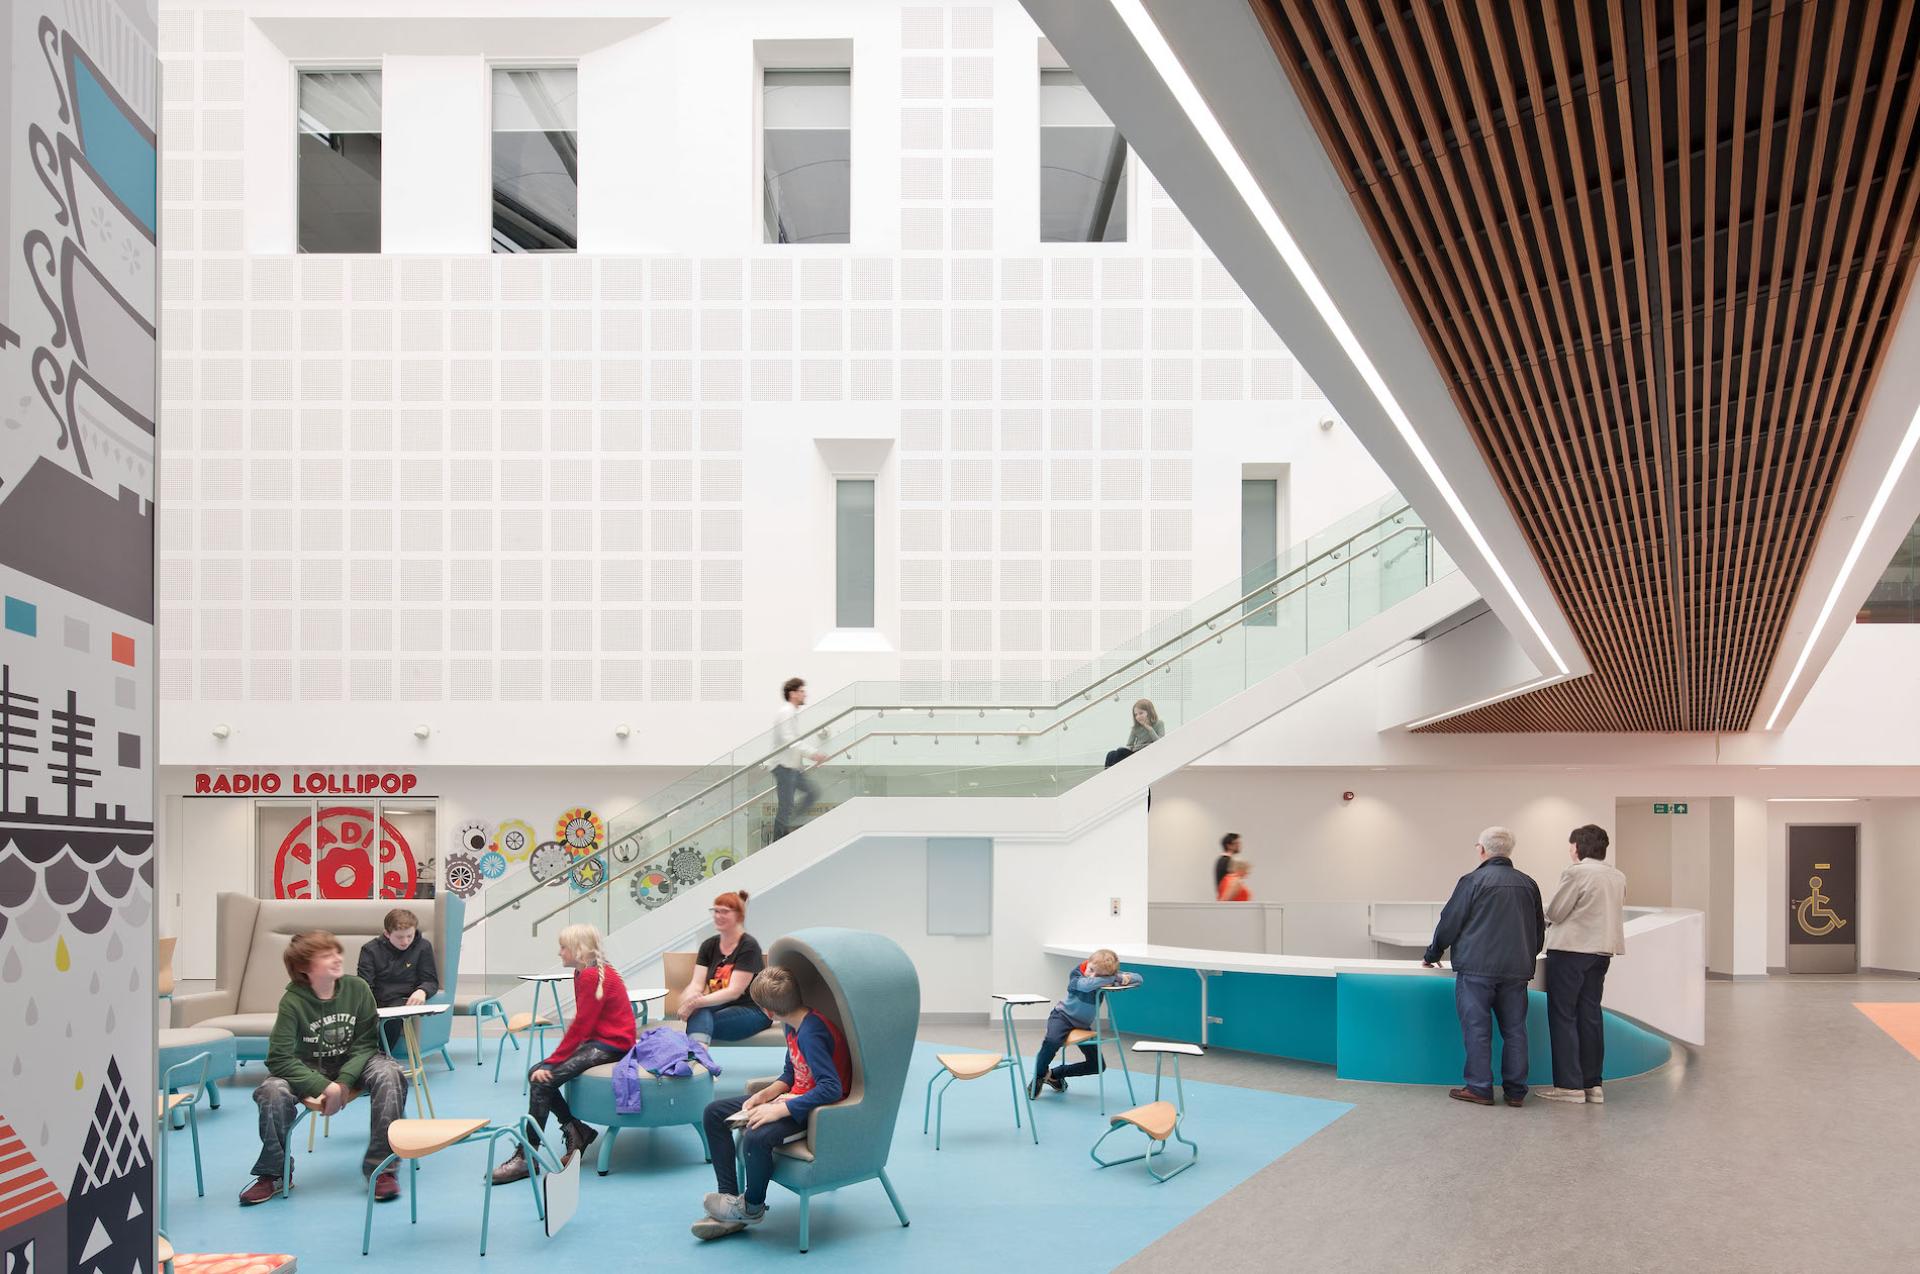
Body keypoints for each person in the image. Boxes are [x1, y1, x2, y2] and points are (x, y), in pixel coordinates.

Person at [239, 930, 408, 1206]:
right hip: (307, 1069)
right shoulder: (292, 1002)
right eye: (325, 956)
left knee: (391, 1074)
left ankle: (382, 1168)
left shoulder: (358, 989)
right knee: (271, 1091)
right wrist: (323, 1086)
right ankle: (274, 1173)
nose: (336, 959)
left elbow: (366, 1043)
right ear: (305, 968)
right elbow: (279, 1058)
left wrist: (342, 1083)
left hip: (355, 1062)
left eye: (336, 952)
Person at [692, 966, 850, 1240]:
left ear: (768, 1013)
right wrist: (765, 1095)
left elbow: (831, 1088)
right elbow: (792, 1073)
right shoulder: (793, 1023)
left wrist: (780, 1109)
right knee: (714, 1113)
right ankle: (731, 1199)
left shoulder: (811, 1033)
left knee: (755, 1136)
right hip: (794, 1096)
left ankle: (752, 1208)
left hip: (814, 1110)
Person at [491, 924, 636, 1184]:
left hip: (612, 1044)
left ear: (578, 951)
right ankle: (575, 1129)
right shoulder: (584, 972)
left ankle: (527, 1157)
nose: (559, 953)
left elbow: (581, 1026)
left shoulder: (592, 975)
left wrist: (555, 1061)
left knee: (541, 1078)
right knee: (535, 1072)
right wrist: (555, 1060)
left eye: (563, 947)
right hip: (599, 1040)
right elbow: (584, 1027)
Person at [1423, 827, 1544, 1108]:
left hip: (1476, 969)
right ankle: (1515, 1092)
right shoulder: (1528, 884)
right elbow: (1538, 929)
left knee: (1477, 1029)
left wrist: (1433, 952)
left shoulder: (1472, 880)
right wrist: (1527, 954)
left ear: (1482, 850)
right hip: (1516, 970)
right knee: (1515, 1030)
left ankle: (1479, 1087)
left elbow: (1450, 921)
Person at [1536, 824, 1628, 1104]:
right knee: (1590, 1015)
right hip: (1602, 952)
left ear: (1577, 847)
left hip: (1572, 950)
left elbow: (1557, 912)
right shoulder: (1617, 875)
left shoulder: (1576, 872)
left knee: (1564, 1015)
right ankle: (1593, 1084)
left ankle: (1569, 1086)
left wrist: (1543, 910)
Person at [1027, 949, 1142, 1098]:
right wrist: (1112, 978)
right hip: (1062, 1017)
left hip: (1082, 1025)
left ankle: (1054, 1074)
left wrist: (1116, 977)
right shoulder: (1076, 974)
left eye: (1099, 974)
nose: (1092, 975)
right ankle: (1039, 1075)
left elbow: (1138, 979)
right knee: (1052, 1041)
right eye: (1091, 970)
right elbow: (1086, 985)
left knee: (1098, 1066)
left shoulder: (1105, 973)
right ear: (1088, 962)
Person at [675, 890, 770, 1044]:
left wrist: (695, 1003)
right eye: (715, 911)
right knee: (700, 1012)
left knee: (699, 1016)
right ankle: (699, 1058)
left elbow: (734, 992)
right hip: (718, 1006)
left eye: (724, 912)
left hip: (753, 1011)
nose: (718, 916)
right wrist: (689, 997)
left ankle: (697, 1058)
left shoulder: (749, 946)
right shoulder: (709, 945)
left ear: (739, 916)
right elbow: (696, 984)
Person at [356, 907, 440, 1051]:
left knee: (394, 1015)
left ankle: (380, 1056)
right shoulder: (370, 949)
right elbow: (365, 984)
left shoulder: (423, 947)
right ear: (387, 934)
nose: (405, 941)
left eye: (410, 936)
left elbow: (431, 980)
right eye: (400, 937)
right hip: (376, 997)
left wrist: (422, 991)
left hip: (403, 998)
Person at [768, 677, 828, 840]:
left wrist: (804, 762)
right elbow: (790, 740)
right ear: (792, 693)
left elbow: (793, 743)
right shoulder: (786, 712)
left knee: (812, 792)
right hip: (783, 767)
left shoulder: (791, 713)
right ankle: (778, 842)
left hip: (793, 768)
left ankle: (790, 824)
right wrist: (813, 754)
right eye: (802, 691)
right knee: (786, 807)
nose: (805, 694)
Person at [1104, 698, 1165, 768]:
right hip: (1135, 753)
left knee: (1120, 751)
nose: (1138, 717)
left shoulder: (1159, 723)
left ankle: (1114, 771)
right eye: (1136, 714)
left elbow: (1160, 743)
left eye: (1141, 713)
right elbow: (1129, 745)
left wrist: (1149, 728)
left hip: (1148, 754)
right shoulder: (1135, 728)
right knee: (1111, 754)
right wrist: (1131, 748)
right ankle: (1108, 774)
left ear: (1149, 712)